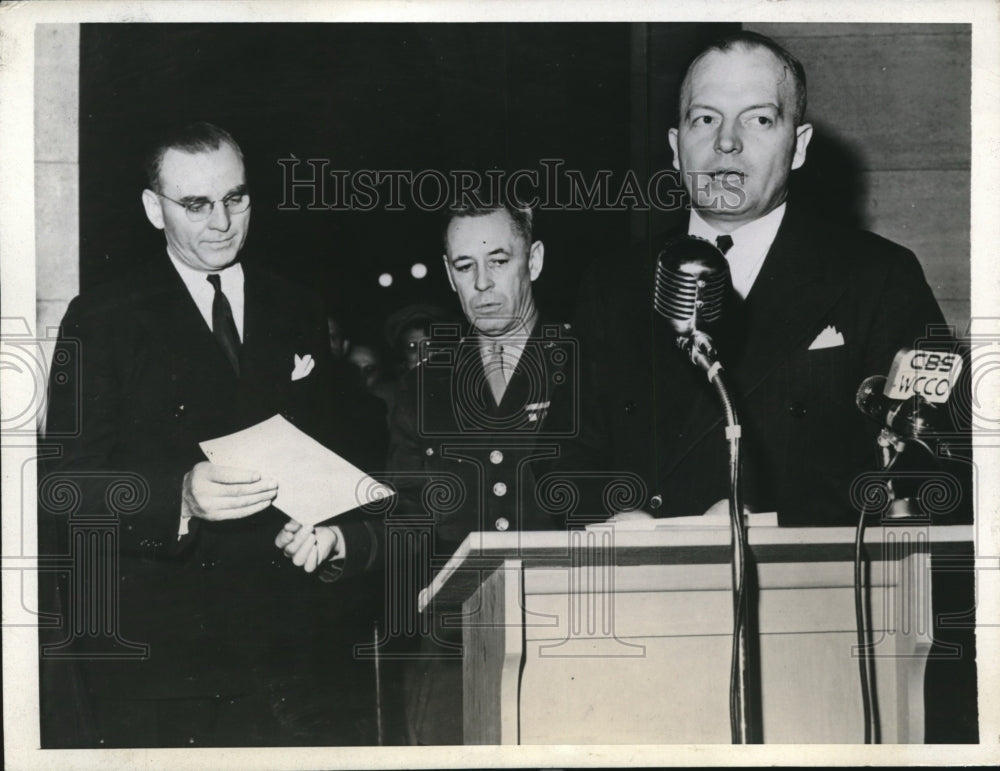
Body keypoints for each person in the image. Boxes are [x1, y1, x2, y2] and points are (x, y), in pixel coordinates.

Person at [40, 122, 383, 747]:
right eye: (196, 204)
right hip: (165, 663)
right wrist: (179, 496)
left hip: (290, 652)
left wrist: (331, 530)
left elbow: (340, 460)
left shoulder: (298, 308)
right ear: (154, 208)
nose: (221, 221)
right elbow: (62, 486)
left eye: (237, 198)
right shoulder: (103, 317)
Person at [556, 31, 951, 528]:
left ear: (799, 146)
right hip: (642, 588)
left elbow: (936, 463)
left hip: (813, 592)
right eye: (705, 119)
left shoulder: (878, 277)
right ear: (677, 148)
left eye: (759, 119)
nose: (727, 142)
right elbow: (565, 459)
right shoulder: (612, 285)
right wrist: (614, 515)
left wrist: (769, 523)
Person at [278, 197, 574, 743]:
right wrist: (339, 540)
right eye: (465, 266)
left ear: (532, 261)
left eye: (499, 261)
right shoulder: (424, 389)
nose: (482, 282)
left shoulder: (588, 367)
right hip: (455, 650)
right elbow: (408, 517)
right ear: (449, 275)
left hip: (568, 642)